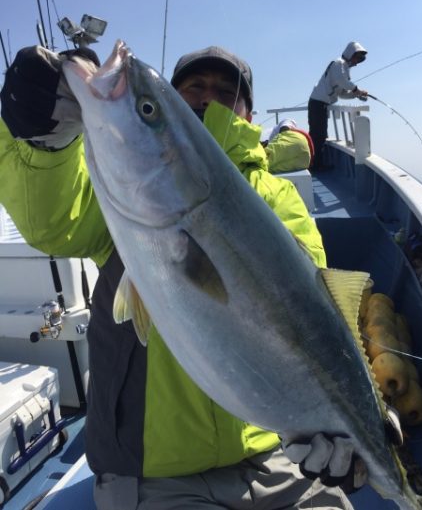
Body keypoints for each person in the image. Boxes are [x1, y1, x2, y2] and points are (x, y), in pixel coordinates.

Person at [0, 44, 364, 509]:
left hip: (278, 456)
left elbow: (310, 306)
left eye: (226, 92)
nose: (208, 99)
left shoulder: (275, 197)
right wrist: (44, 141)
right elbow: (55, 221)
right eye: (194, 87)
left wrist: (350, 416)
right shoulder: (119, 193)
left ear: (247, 114)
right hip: (154, 476)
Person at [308, 42, 369, 171]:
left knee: (320, 134)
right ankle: (314, 165)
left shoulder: (345, 70)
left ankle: (316, 163)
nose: (357, 62)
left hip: (322, 104)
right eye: (356, 58)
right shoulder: (338, 64)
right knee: (317, 135)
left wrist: (355, 95)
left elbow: (342, 93)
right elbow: (342, 81)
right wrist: (356, 89)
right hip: (317, 103)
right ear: (350, 54)